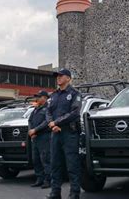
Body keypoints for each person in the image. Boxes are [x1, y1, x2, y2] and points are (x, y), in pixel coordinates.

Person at [46, 69, 82, 199]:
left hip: (69, 133)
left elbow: (74, 113)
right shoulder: (53, 95)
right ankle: (55, 192)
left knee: (72, 164)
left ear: (68, 78)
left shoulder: (74, 94)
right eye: (57, 76)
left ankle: (74, 193)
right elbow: (48, 111)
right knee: (55, 164)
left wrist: (56, 122)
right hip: (55, 133)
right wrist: (51, 123)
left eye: (61, 76)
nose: (58, 78)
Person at [28, 90, 51, 189]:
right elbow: (30, 120)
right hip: (35, 137)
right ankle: (39, 179)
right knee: (35, 159)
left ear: (45, 98)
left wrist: (35, 130)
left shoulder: (48, 108)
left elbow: (47, 122)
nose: (37, 98)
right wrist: (31, 131)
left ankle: (48, 180)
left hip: (44, 137)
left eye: (39, 96)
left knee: (45, 159)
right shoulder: (36, 109)